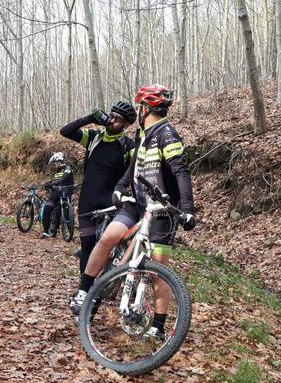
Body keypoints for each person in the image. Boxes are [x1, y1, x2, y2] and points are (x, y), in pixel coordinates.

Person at [70, 84, 196, 340]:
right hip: (137, 203)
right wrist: (119, 187)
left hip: (161, 209)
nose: (138, 111)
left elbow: (181, 171)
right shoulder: (142, 133)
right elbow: (134, 165)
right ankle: (83, 291)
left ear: (145, 108)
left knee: (158, 268)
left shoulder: (167, 134)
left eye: (140, 107)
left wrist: (187, 209)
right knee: (108, 237)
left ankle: (158, 326)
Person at [60, 101, 136, 273]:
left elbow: (135, 169)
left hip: (110, 202)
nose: (112, 120)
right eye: (111, 116)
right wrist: (89, 118)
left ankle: (111, 280)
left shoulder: (128, 146)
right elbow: (65, 131)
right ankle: (86, 286)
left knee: (109, 245)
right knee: (87, 245)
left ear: (126, 125)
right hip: (87, 200)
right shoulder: (94, 138)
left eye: (118, 119)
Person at [39, 152, 75, 238]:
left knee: (66, 213)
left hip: (65, 193)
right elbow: (55, 182)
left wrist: (52, 184)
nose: (53, 166)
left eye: (54, 164)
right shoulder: (57, 172)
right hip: (56, 194)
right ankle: (46, 232)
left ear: (59, 161)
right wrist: (48, 184)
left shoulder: (67, 169)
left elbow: (62, 180)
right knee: (47, 209)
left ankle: (70, 233)